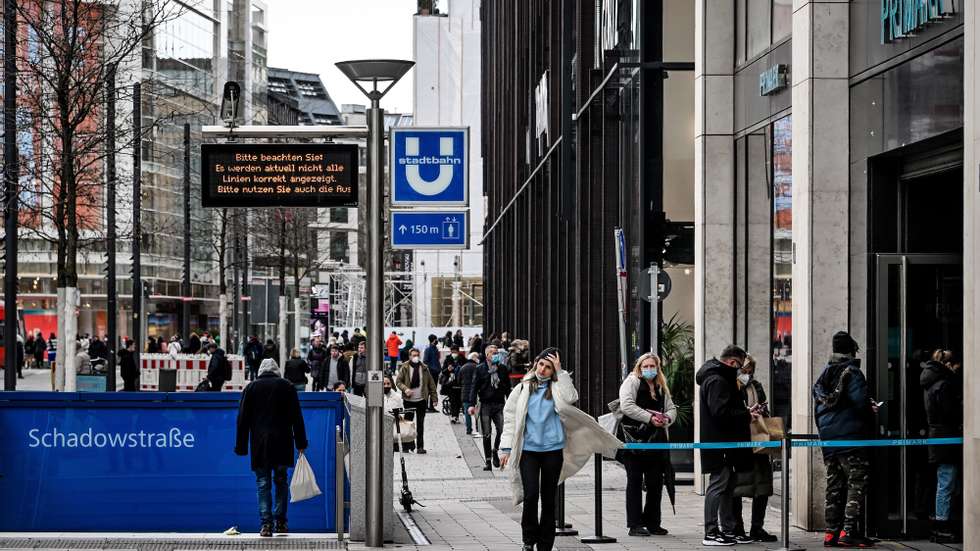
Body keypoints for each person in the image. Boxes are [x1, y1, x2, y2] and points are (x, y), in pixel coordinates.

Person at [500, 348, 621, 551]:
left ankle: (545, 544)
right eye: (541, 365)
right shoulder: (522, 388)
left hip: (552, 451)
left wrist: (561, 372)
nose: (543, 370)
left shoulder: (558, 387)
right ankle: (528, 540)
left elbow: (571, 397)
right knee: (530, 495)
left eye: (548, 367)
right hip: (528, 451)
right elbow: (511, 419)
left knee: (549, 499)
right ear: (535, 363)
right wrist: (505, 447)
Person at [813, 331, 876, 548]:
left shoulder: (824, 375)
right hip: (851, 439)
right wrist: (871, 410)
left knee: (834, 486)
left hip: (830, 442)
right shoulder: (852, 372)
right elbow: (860, 403)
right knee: (856, 484)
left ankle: (831, 533)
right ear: (850, 350)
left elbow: (818, 410)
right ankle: (849, 531)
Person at [235, 358, 308, 537]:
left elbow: (242, 419)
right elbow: (297, 417)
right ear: (276, 370)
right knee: (281, 481)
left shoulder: (251, 388)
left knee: (262, 483)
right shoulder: (287, 386)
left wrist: (241, 446)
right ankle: (281, 522)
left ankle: (266, 524)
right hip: (282, 442)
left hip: (260, 444)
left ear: (260, 370)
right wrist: (301, 442)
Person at [696, 344, 754, 547]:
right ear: (732, 362)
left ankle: (728, 530)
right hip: (719, 443)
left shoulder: (718, 378)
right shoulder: (717, 380)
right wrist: (746, 414)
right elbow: (720, 412)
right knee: (718, 485)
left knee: (727, 486)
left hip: (725, 444)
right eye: (739, 366)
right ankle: (711, 532)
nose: (740, 370)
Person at [617, 352, 676, 537]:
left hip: (656, 441)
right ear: (640, 367)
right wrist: (650, 418)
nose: (649, 369)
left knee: (655, 482)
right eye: (646, 366)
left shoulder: (661, 386)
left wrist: (666, 419)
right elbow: (626, 405)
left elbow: (672, 408)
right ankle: (634, 524)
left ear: (658, 368)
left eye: (652, 366)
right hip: (633, 440)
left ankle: (652, 522)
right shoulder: (632, 381)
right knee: (634, 481)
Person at [728, 354, 778, 542]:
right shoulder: (730, 386)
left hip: (758, 437)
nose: (747, 375)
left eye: (750, 371)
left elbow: (765, 407)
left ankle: (757, 527)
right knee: (738, 486)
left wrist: (762, 410)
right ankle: (736, 527)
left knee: (763, 485)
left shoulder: (756, 386)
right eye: (744, 371)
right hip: (740, 440)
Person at [920, 350, 963, 543]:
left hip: (938, 437)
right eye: (955, 367)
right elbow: (950, 413)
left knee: (944, 482)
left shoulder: (930, 383)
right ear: (948, 365)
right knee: (946, 482)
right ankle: (941, 524)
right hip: (946, 437)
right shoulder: (944, 385)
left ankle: (940, 521)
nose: (957, 370)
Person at [470, 345, 511, 470]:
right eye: (493, 353)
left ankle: (495, 450)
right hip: (486, 404)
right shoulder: (480, 369)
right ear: (487, 355)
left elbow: (508, 388)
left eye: (497, 352)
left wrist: (510, 402)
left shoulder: (503, 369)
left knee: (501, 430)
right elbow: (474, 387)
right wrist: (471, 404)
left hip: (499, 404)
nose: (495, 355)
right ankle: (488, 461)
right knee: (487, 434)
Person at [395, 347, 438, 454]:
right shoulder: (404, 367)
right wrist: (406, 389)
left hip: (421, 400)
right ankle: (406, 446)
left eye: (417, 355)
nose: (415, 357)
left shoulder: (424, 368)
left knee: (420, 424)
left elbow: (431, 384)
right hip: (409, 400)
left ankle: (420, 447)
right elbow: (398, 381)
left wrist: (434, 398)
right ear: (409, 356)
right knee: (408, 423)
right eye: (413, 355)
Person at [458, 349, 479, 435]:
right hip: (476, 393)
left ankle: (469, 429)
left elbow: (458, 380)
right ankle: (478, 429)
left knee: (467, 412)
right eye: (477, 357)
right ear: (474, 358)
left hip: (465, 392)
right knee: (478, 412)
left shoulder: (463, 367)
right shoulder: (478, 367)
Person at [439, 357, 462, 423]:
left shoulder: (461, 359)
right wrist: (448, 369)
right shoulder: (447, 360)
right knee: (453, 401)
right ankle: (453, 416)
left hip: (459, 385)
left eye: (455, 351)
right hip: (450, 386)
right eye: (453, 351)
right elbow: (443, 372)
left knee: (457, 402)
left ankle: (455, 416)